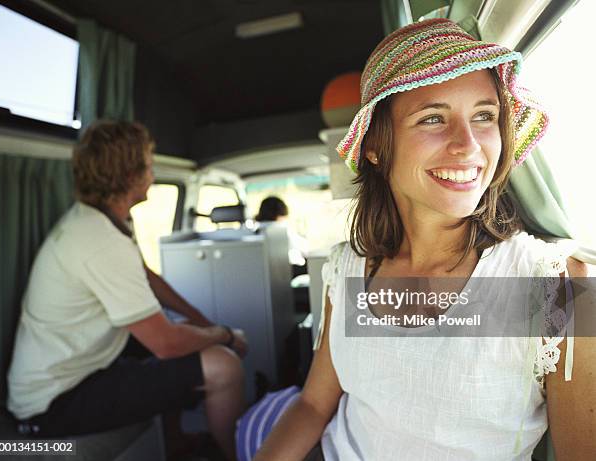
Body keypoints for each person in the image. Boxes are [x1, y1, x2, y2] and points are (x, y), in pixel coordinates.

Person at [254, 19, 595, 460]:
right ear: (377, 146)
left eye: (484, 116)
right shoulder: (348, 270)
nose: (468, 145)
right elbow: (314, 403)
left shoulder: (557, 290)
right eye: (433, 118)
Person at [7, 121, 247, 461]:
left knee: (186, 337)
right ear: (129, 176)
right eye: (148, 164)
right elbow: (165, 345)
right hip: (53, 402)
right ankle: (241, 455)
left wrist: (201, 322)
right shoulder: (100, 241)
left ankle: (176, 445)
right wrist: (223, 336)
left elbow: (147, 278)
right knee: (224, 367)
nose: (152, 172)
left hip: (81, 369)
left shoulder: (104, 220)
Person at [255, 196, 309, 268]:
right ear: (282, 212)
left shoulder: (256, 232)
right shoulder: (283, 230)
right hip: (291, 270)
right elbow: (305, 249)